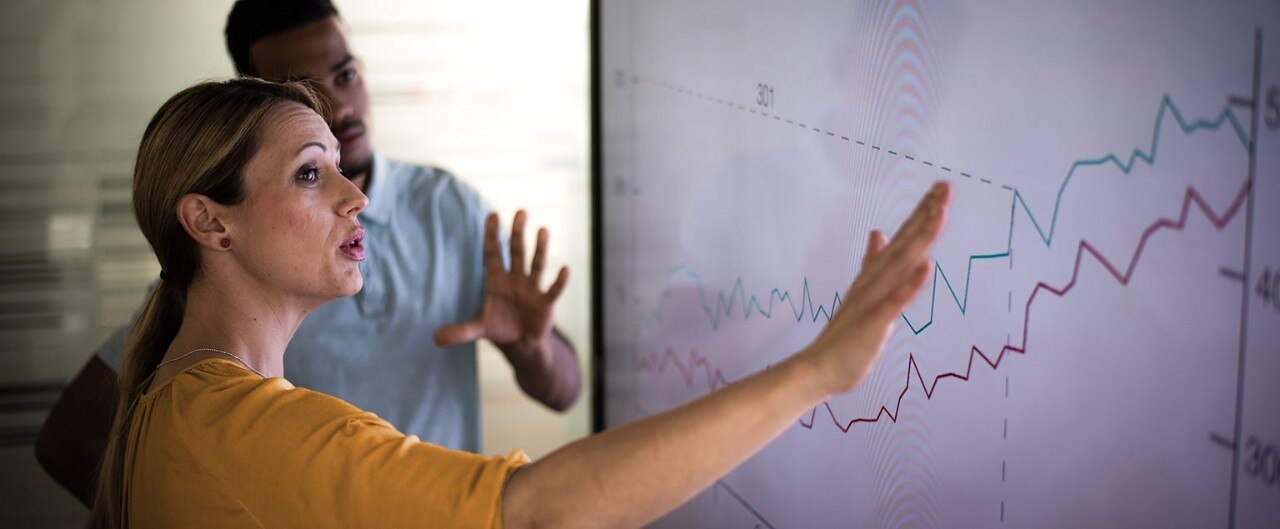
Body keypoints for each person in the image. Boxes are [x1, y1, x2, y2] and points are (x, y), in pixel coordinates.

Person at [91, 77, 951, 527]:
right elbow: (538, 512)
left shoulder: (180, 400)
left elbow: (559, 391)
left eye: (341, 169)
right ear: (210, 221)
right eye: (310, 175)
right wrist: (816, 371)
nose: (356, 198)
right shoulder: (241, 428)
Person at [36, 0, 582, 506]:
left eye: (346, 75)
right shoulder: (222, 349)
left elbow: (564, 393)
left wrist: (530, 347)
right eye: (307, 173)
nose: (340, 105)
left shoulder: (448, 207)